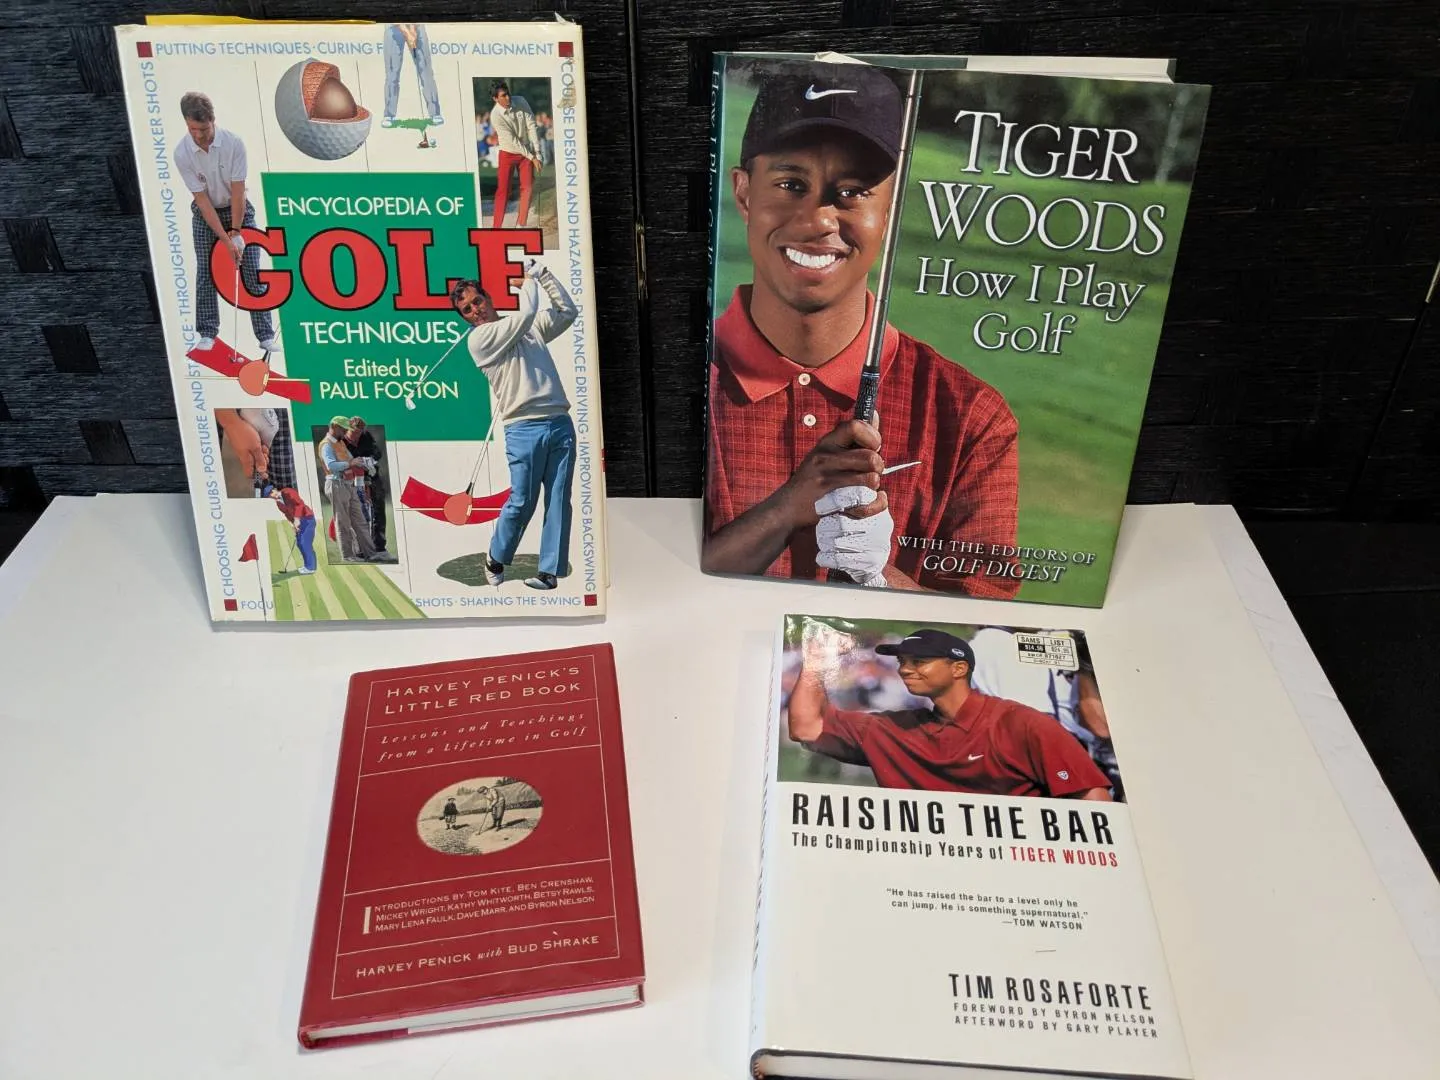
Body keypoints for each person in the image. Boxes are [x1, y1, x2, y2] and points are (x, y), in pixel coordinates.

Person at [703, 61, 1019, 596]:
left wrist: (879, 577)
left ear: (890, 211)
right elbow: (650, 579)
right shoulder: (685, 381)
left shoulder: (973, 417)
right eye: (790, 184)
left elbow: (983, 627)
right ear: (744, 193)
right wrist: (786, 509)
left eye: (851, 192)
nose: (819, 220)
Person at [787, 627, 1112, 799]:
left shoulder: (1025, 724)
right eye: (902, 662)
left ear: (959, 668)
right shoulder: (894, 728)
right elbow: (807, 727)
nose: (905, 670)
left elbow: (1094, 801)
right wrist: (816, 661)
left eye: (919, 661)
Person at [451, 259, 577, 590]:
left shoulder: (526, 327)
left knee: (559, 499)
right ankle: (496, 556)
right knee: (522, 501)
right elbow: (528, 312)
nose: (475, 310)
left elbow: (567, 312)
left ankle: (548, 572)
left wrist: (545, 275)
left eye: (477, 301)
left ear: (488, 298)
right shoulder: (479, 339)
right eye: (466, 310)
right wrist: (529, 282)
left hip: (559, 422)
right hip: (522, 428)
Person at [173, 91, 277, 355]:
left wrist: (236, 232)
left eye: (204, 129)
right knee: (206, 272)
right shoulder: (182, 153)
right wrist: (224, 238)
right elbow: (202, 201)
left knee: (251, 269)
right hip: (206, 214)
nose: (199, 135)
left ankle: (265, 335)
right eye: (193, 129)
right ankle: (207, 334)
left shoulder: (233, 144)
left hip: (238, 210)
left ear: (213, 120)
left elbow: (238, 190)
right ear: (186, 123)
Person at [317, 416, 378, 563]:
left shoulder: (340, 443)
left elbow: (351, 460)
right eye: (343, 429)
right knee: (342, 522)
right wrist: (351, 463)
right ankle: (348, 556)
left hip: (349, 485)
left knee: (360, 521)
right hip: (336, 484)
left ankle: (371, 554)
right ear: (334, 426)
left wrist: (364, 463)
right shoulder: (326, 445)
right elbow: (331, 465)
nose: (345, 432)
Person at [487, 81, 543, 227]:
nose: (508, 98)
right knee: (503, 191)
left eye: (508, 94)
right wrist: (532, 157)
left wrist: (537, 152)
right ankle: (496, 228)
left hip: (526, 152)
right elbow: (513, 141)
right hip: (508, 153)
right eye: (503, 96)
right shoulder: (495, 116)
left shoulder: (521, 101)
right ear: (495, 99)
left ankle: (521, 225)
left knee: (528, 187)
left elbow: (531, 125)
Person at [382, 24, 443, 127]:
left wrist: (413, 29)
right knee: (392, 73)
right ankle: (389, 115)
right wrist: (407, 32)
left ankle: (435, 113)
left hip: (417, 25)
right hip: (393, 26)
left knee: (426, 71)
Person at [346, 416, 388, 556]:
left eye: (360, 432)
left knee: (379, 508)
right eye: (354, 432)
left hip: (371, 475)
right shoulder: (341, 441)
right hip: (351, 479)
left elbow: (377, 453)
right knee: (358, 514)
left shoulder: (366, 436)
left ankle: (380, 547)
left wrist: (369, 459)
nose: (357, 436)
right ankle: (359, 549)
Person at [262, 481, 316, 575]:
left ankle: (310, 567)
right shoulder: (279, 504)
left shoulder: (288, 491)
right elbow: (287, 514)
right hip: (297, 521)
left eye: (272, 493)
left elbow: (299, 504)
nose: (272, 496)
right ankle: (307, 565)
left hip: (307, 518)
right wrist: (293, 525)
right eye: (269, 496)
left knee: (304, 543)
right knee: (300, 543)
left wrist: (297, 519)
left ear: (275, 490)